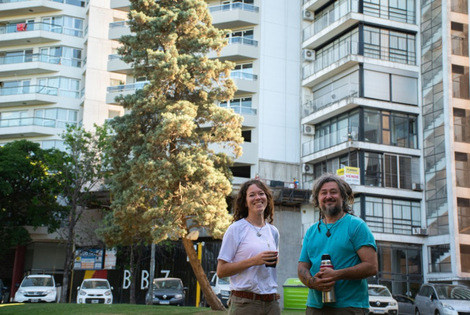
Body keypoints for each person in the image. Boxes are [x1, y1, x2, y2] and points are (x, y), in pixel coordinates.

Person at [298, 173, 378, 314]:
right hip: (315, 307)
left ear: (343, 197)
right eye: (323, 193)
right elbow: (302, 266)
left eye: (333, 192)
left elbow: (371, 267)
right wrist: (312, 282)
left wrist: (337, 274)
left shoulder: (356, 226)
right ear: (317, 199)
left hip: (349, 307)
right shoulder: (311, 231)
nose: (328, 196)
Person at [217, 179, 280, 315]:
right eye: (252, 195)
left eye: (261, 193)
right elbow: (221, 271)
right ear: (245, 202)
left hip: (271, 303)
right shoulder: (236, 229)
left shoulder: (273, 231)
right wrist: (253, 261)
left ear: (267, 198)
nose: (257, 197)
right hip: (244, 304)